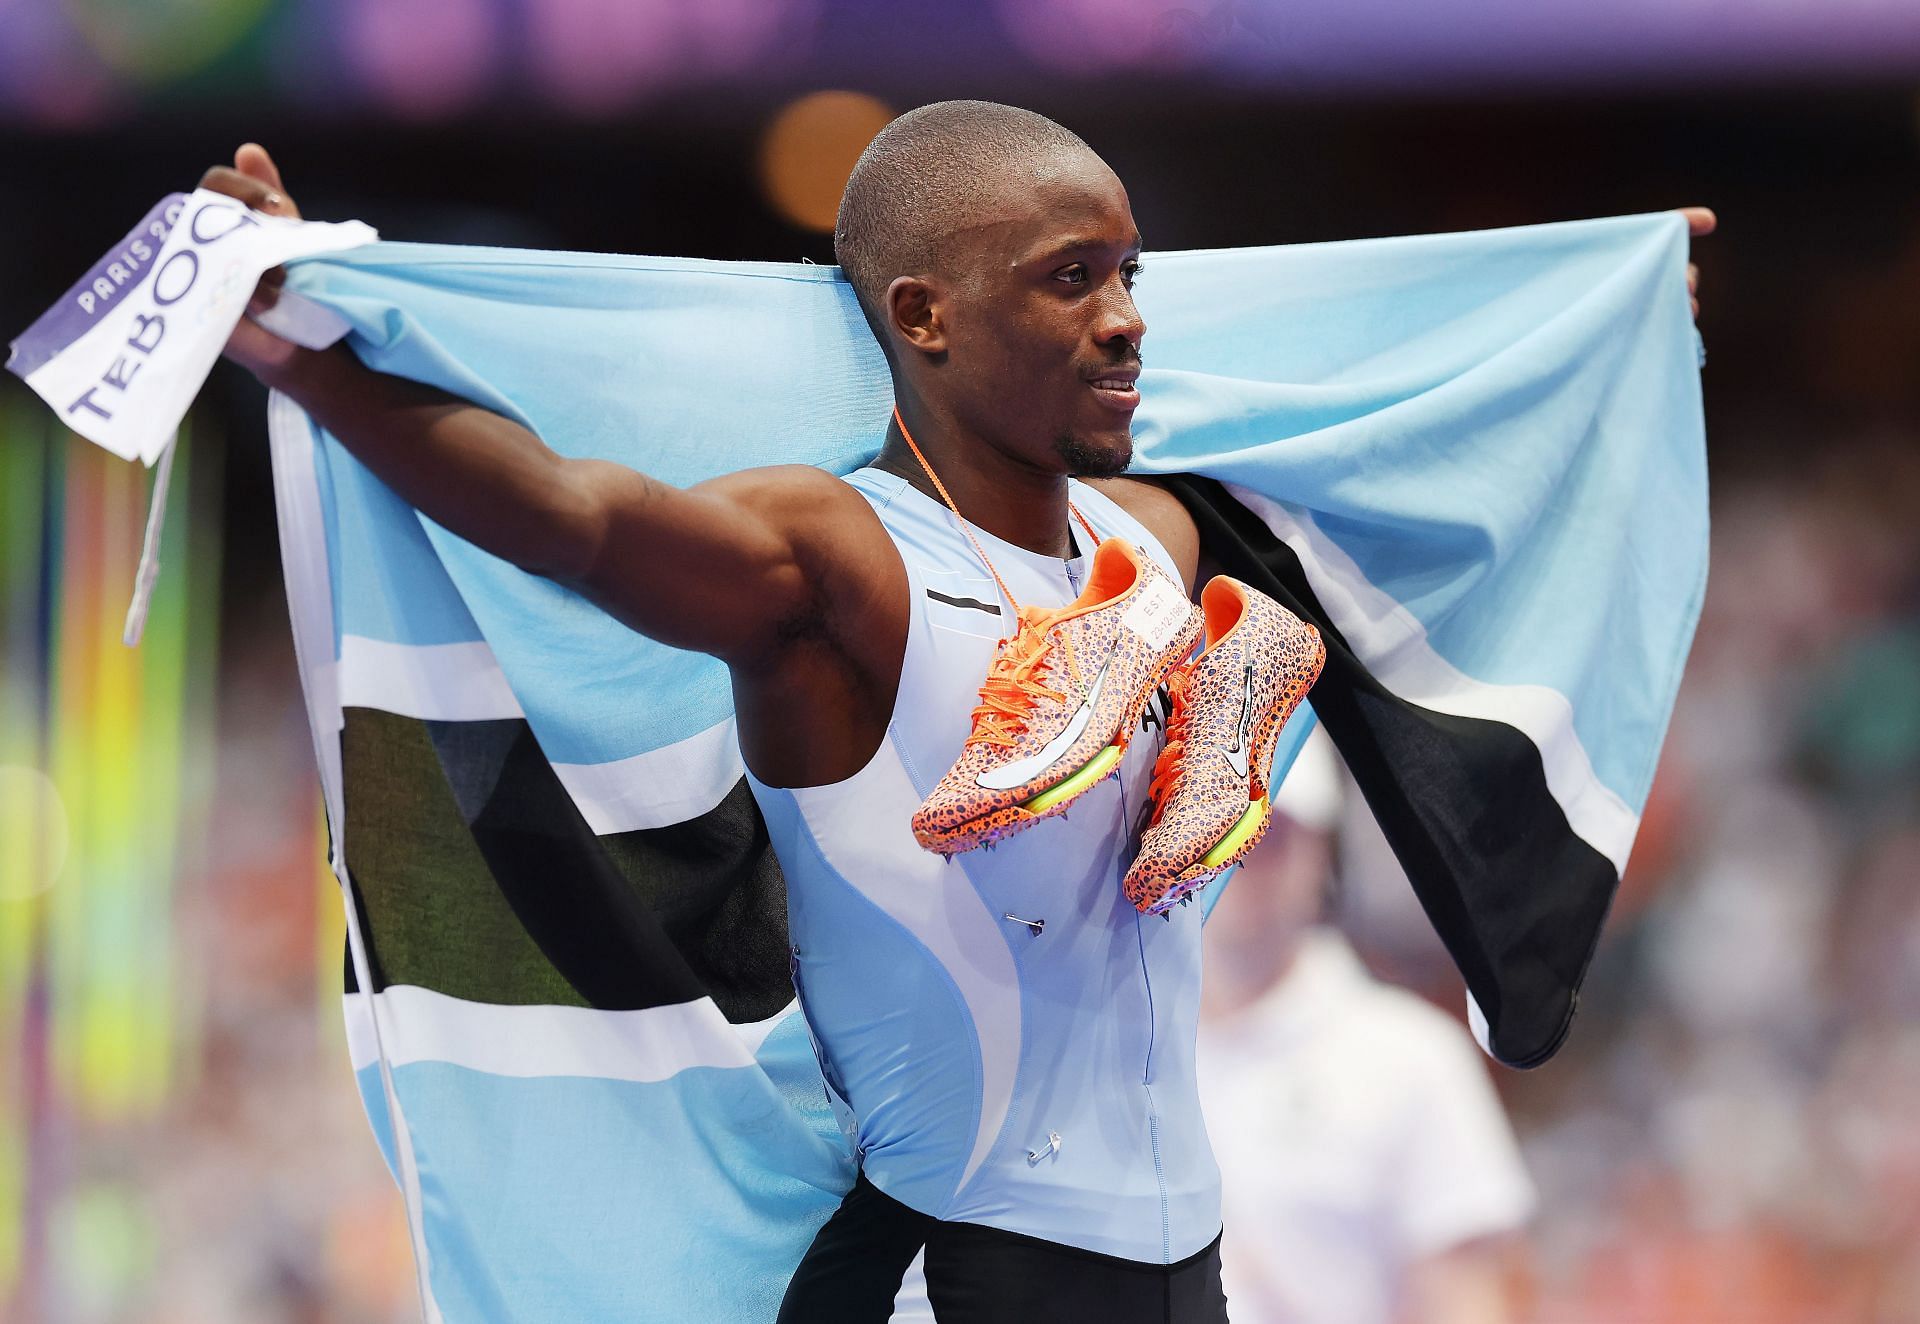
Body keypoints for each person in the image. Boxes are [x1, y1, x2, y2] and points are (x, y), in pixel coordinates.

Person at [203, 100, 1709, 1322]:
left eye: (1132, 272)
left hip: (1190, 1271)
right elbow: (572, 519)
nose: (1125, 320)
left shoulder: (1157, 545)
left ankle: (1161, 708)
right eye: (1072, 277)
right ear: (922, 313)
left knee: (1227, 632)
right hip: (960, 1273)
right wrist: (301, 342)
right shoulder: (836, 557)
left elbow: (1418, 417)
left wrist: (1612, 331)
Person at [1200, 729, 1535, 1324]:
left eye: (1270, 834)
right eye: (1220, 831)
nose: (1242, 861)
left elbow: (1465, 1304)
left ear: (1323, 852)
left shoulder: (1414, 1062)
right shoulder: (1110, 1056)